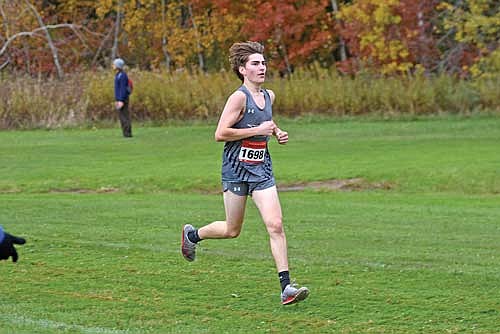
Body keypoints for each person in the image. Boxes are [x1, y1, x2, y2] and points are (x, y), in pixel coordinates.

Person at [181, 41, 309, 305]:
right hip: (236, 169)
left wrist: (277, 132)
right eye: (255, 63)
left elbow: (266, 123)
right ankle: (193, 235)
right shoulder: (238, 98)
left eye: (263, 63)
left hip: (262, 169)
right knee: (231, 230)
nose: (261, 67)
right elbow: (220, 133)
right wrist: (257, 131)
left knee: (275, 225)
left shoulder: (269, 96)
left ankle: (287, 288)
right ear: (242, 69)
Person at [112, 58, 132, 138]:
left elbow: (123, 89)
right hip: (119, 98)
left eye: (114, 64)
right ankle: (126, 133)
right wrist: (117, 99)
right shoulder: (118, 75)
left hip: (123, 99)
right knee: (122, 116)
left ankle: (127, 133)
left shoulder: (123, 75)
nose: (112, 66)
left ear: (118, 66)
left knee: (124, 116)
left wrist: (121, 100)